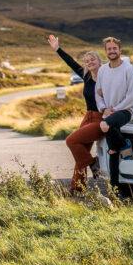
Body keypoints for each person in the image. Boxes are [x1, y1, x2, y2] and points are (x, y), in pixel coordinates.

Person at [48, 34, 104, 192]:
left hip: (100, 119)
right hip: (88, 117)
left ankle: (93, 163)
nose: (90, 62)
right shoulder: (86, 77)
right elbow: (71, 62)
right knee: (81, 152)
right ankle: (77, 188)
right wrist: (57, 49)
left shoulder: (107, 78)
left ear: (100, 62)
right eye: (87, 61)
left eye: (93, 59)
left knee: (71, 141)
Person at [95, 36, 133, 191]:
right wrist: (104, 109)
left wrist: (114, 110)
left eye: (114, 48)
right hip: (108, 112)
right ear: (106, 52)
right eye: (109, 49)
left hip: (125, 111)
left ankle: (124, 144)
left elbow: (132, 96)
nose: (112, 51)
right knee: (112, 150)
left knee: (104, 125)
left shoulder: (128, 69)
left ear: (120, 50)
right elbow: (97, 94)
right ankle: (114, 189)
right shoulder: (102, 70)